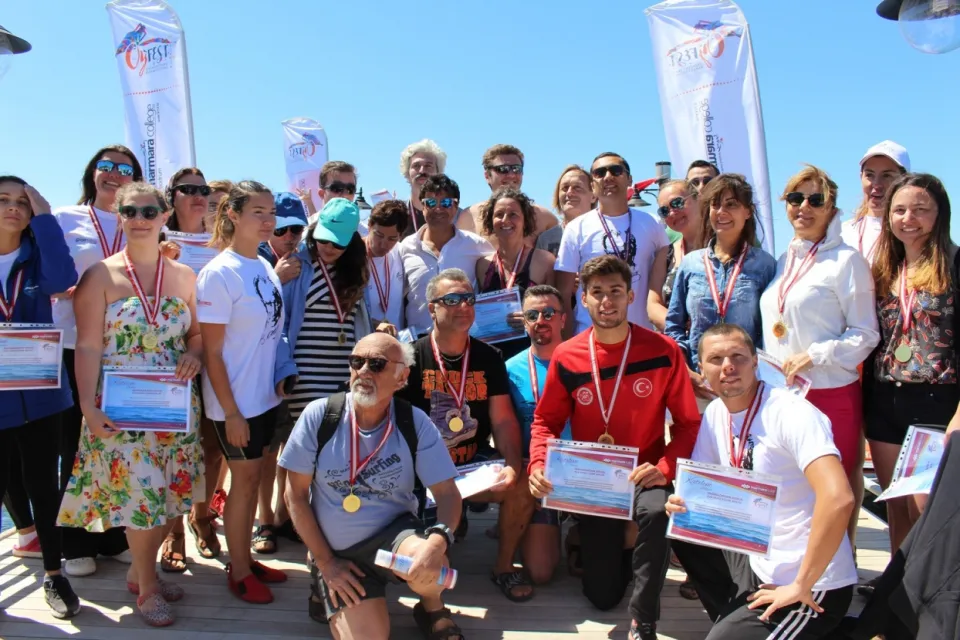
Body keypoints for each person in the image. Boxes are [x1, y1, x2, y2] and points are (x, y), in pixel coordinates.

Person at [527, 255, 701, 640]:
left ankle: (644, 619)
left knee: (656, 512)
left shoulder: (664, 350)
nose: (607, 301)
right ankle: (603, 544)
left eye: (616, 292)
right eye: (597, 293)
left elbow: (689, 425)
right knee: (603, 597)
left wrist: (665, 468)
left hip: (645, 472)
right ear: (583, 299)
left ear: (631, 296)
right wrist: (537, 464)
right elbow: (546, 421)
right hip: (595, 481)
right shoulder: (568, 355)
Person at [57, 182, 205, 627]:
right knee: (141, 495)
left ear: (165, 215)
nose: (140, 219)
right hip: (121, 407)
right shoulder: (99, 276)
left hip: (173, 407)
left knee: (166, 495)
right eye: (130, 211)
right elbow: (87, 346)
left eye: (149, 211)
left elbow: (196, 333)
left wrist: (194, 352)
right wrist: (87, 406)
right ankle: (148, 589)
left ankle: (141, 573)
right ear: (119, 217)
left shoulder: (184, 275)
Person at [670, 323, 857, 639]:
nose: (728, 366)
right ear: (700, 368)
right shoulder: (716, 412)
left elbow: (839, 498)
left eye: (738, 357)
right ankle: (739, 620)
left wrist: (800, 584)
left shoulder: (792, 413)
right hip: (757, 559)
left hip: (810, 583)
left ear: (755, 362)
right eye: (716, 359)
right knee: (681, 525)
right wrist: (683, 503)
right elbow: (704, 489)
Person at [279, 333, 464, 640]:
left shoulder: (414, 421)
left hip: (395, 536)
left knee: (433, 565)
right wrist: (327, 562)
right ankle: (319, 571)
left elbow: (447, 494)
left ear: (401, 377)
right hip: (338, 551)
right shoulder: (320, 415)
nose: (363, 370)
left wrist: (437, 542)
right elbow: (294, 496)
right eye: (356, 362)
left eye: (376, 364)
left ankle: (432, 606)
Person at [399, 268, 536, 602]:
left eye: (469, 299)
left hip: (472, 463)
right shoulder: (410, 357)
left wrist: (512, 465)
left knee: (522, 480)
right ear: (432, 308)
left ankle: (503, 566)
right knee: (431, 564)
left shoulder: (489, 357)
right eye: (452, 299)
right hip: (423, 473)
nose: (463, 306)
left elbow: (503, 420)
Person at [759, 165, 879, 547]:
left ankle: (838, 570)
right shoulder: (784, 260)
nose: (804, 207)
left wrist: (816, 354)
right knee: (791, 493)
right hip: (784, 396)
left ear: (832, 208)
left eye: (816, 199)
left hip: (830, 395)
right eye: (796, 198)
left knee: (831, 496)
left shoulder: (847, 261)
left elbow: (867, 333)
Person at [197, 180, 288, 604]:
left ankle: (244, 559)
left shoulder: (265, 265)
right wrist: (231, 412)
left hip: (264, 398)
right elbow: (212, 352)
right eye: (257, 212)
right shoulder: (219, 273)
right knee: (244, 482)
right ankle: (238, 570)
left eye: (271, 212)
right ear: (233, 214)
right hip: (234, 404)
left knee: (251, 484)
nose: (268, 220)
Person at [53, 144, 140, 576]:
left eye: (125, 169)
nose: (114, 174)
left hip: (124, 351)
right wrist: (52, 287)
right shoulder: (64, 218)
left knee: (118, 444)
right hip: (71, 345)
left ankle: (114, 535)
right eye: (106, 166)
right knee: (73, 447)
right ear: (92, 173)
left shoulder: (141, 221)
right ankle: (73, 543)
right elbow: (42, 269)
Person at [0, 176, 80, 617]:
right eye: (3, 200)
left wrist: (46, 218)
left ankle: (55, 575)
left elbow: (64, 278)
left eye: (22, 202)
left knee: (45, 486)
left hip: (42, 392)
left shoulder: (38, 254)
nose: (13, 207)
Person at [865, 174, 958, 555]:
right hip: (885, 400)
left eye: (920, 210)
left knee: (925, 508)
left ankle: (929, 587)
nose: (909, 219)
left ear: (940, 214)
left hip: (937, 403)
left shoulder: (955, 264)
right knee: (896, 504)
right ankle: (896, 583)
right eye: (900, 210)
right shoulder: (884, 269)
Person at [158, 166, 224, 572]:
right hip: (169, 359)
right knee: (172, 449)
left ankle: (202, 516)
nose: (198, 195)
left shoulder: (223, 242)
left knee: (212, 447)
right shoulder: (157, 238)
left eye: (203, 189)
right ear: (172, 197)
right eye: (188, 189)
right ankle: (174, 530)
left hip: (217, 355)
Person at [665, 174, 777, 408]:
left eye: (731, 204)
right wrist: (686, 370)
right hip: (700, 385)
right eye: (715, 205)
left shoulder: (765, 265)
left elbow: (770, 327)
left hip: (748, 385)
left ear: (748, 212)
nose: (721, 212)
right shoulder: (690, 264)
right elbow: (674, 325)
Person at [556, 152, 670, 337]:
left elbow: (661, 284)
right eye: (600, 173)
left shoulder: (653, 223)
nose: (608, 177)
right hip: (590, 337)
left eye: (616, 170)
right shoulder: (576, 228)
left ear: (629, 179)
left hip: (641, 336)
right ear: (592, 184)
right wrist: (567, 342)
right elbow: (563, 293)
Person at [504, 285, 572, 585]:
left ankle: (577, 531)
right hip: (539, 475)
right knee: (540, 572)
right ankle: (521, 520)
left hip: (583, 472)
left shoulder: (586, 361)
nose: (540, 320)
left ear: (563, 319)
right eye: (532, 315)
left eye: (549, 313)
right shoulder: (509, 369)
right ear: (524, 322)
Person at [254, 190, 310, 550]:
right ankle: (264, 522)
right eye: (282, 229)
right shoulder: (254, 259)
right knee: (265, 452)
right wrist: (276, 278)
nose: (289, 237)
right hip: (260, 372)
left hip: (294, 370)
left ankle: (283, 515)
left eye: (297, 230)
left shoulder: (305, 260)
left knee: (291, 450)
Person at [398, 175, 494, 333]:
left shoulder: (476, 245)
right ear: (422, 206)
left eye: (446, 203)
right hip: (419, 340)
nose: (438, 209)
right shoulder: (406, 247)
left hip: (464, 338)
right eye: (431, 202)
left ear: (456, 207)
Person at [476, 188, 556, 358]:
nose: (505, 220)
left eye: (513, 214)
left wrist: (531, 318)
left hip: (532, 354)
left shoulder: (544, 261)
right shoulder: (482, 265)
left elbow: (557, 313)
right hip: (492, 356)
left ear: (525, 220)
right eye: (499, 214)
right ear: (491, 220)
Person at [460, 144, 559, 245]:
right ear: (487, 176)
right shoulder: (468, 217)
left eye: (516, 169)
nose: (511, 175)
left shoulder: (546, 219)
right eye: (503, 169)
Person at [648, 179, 704, 332]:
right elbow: (653, 304)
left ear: (699, 199)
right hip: (675, 342)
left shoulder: (723, 248)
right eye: (664, 211)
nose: (672, 213)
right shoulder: (666, 253)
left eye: (677, 203)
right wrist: (680, 330)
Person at [841, 141, 910, 265]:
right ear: (861, 177)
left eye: (887, 176)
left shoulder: (910, 234)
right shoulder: (841, 233)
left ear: (905, 180)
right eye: (870, 175)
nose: (877, 184)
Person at [361, 199, 408, 335]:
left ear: (400, 236)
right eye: (379, 235)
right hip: (364, 342)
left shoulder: (401, 252)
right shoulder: (352, 257)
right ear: (369, 225)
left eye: (392, 239)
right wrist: (374, 324)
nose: (383, 244)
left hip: (396, 342)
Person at [536, 165, 596, 258]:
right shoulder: (546, 239)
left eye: (577, 187)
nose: (569, 193)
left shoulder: (604, 232)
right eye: (565, 188)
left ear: (593, 196)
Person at [399, 139, 446, 238]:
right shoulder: (397, 215)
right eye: (416, 166)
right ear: (407, 173)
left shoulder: (453, 216)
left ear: (438, 173)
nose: (422, 171)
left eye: (428, 166)